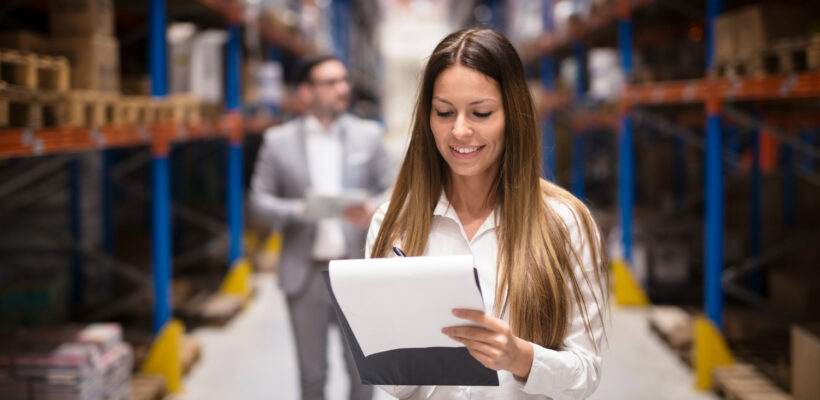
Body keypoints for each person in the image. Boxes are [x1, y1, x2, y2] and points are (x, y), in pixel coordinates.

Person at [365, 29, 608, 399]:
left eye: (481, 113)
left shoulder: (565, 222)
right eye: (444, 112)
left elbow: (586, 372)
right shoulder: (394, 224)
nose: (460, 130)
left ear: (513, 114)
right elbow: (392, 383)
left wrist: (521, 357)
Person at [250, 55, 393, 400]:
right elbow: (258, 202)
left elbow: (395, 189)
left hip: (356, 273)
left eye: (343, 81)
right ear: (305, 92)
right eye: (330, 83)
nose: (342, 89)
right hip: (305, 273)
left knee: (363, 376)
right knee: (312, 377)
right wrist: (298, 210)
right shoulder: (277, 141)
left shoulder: (369, 135)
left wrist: (373, 209)